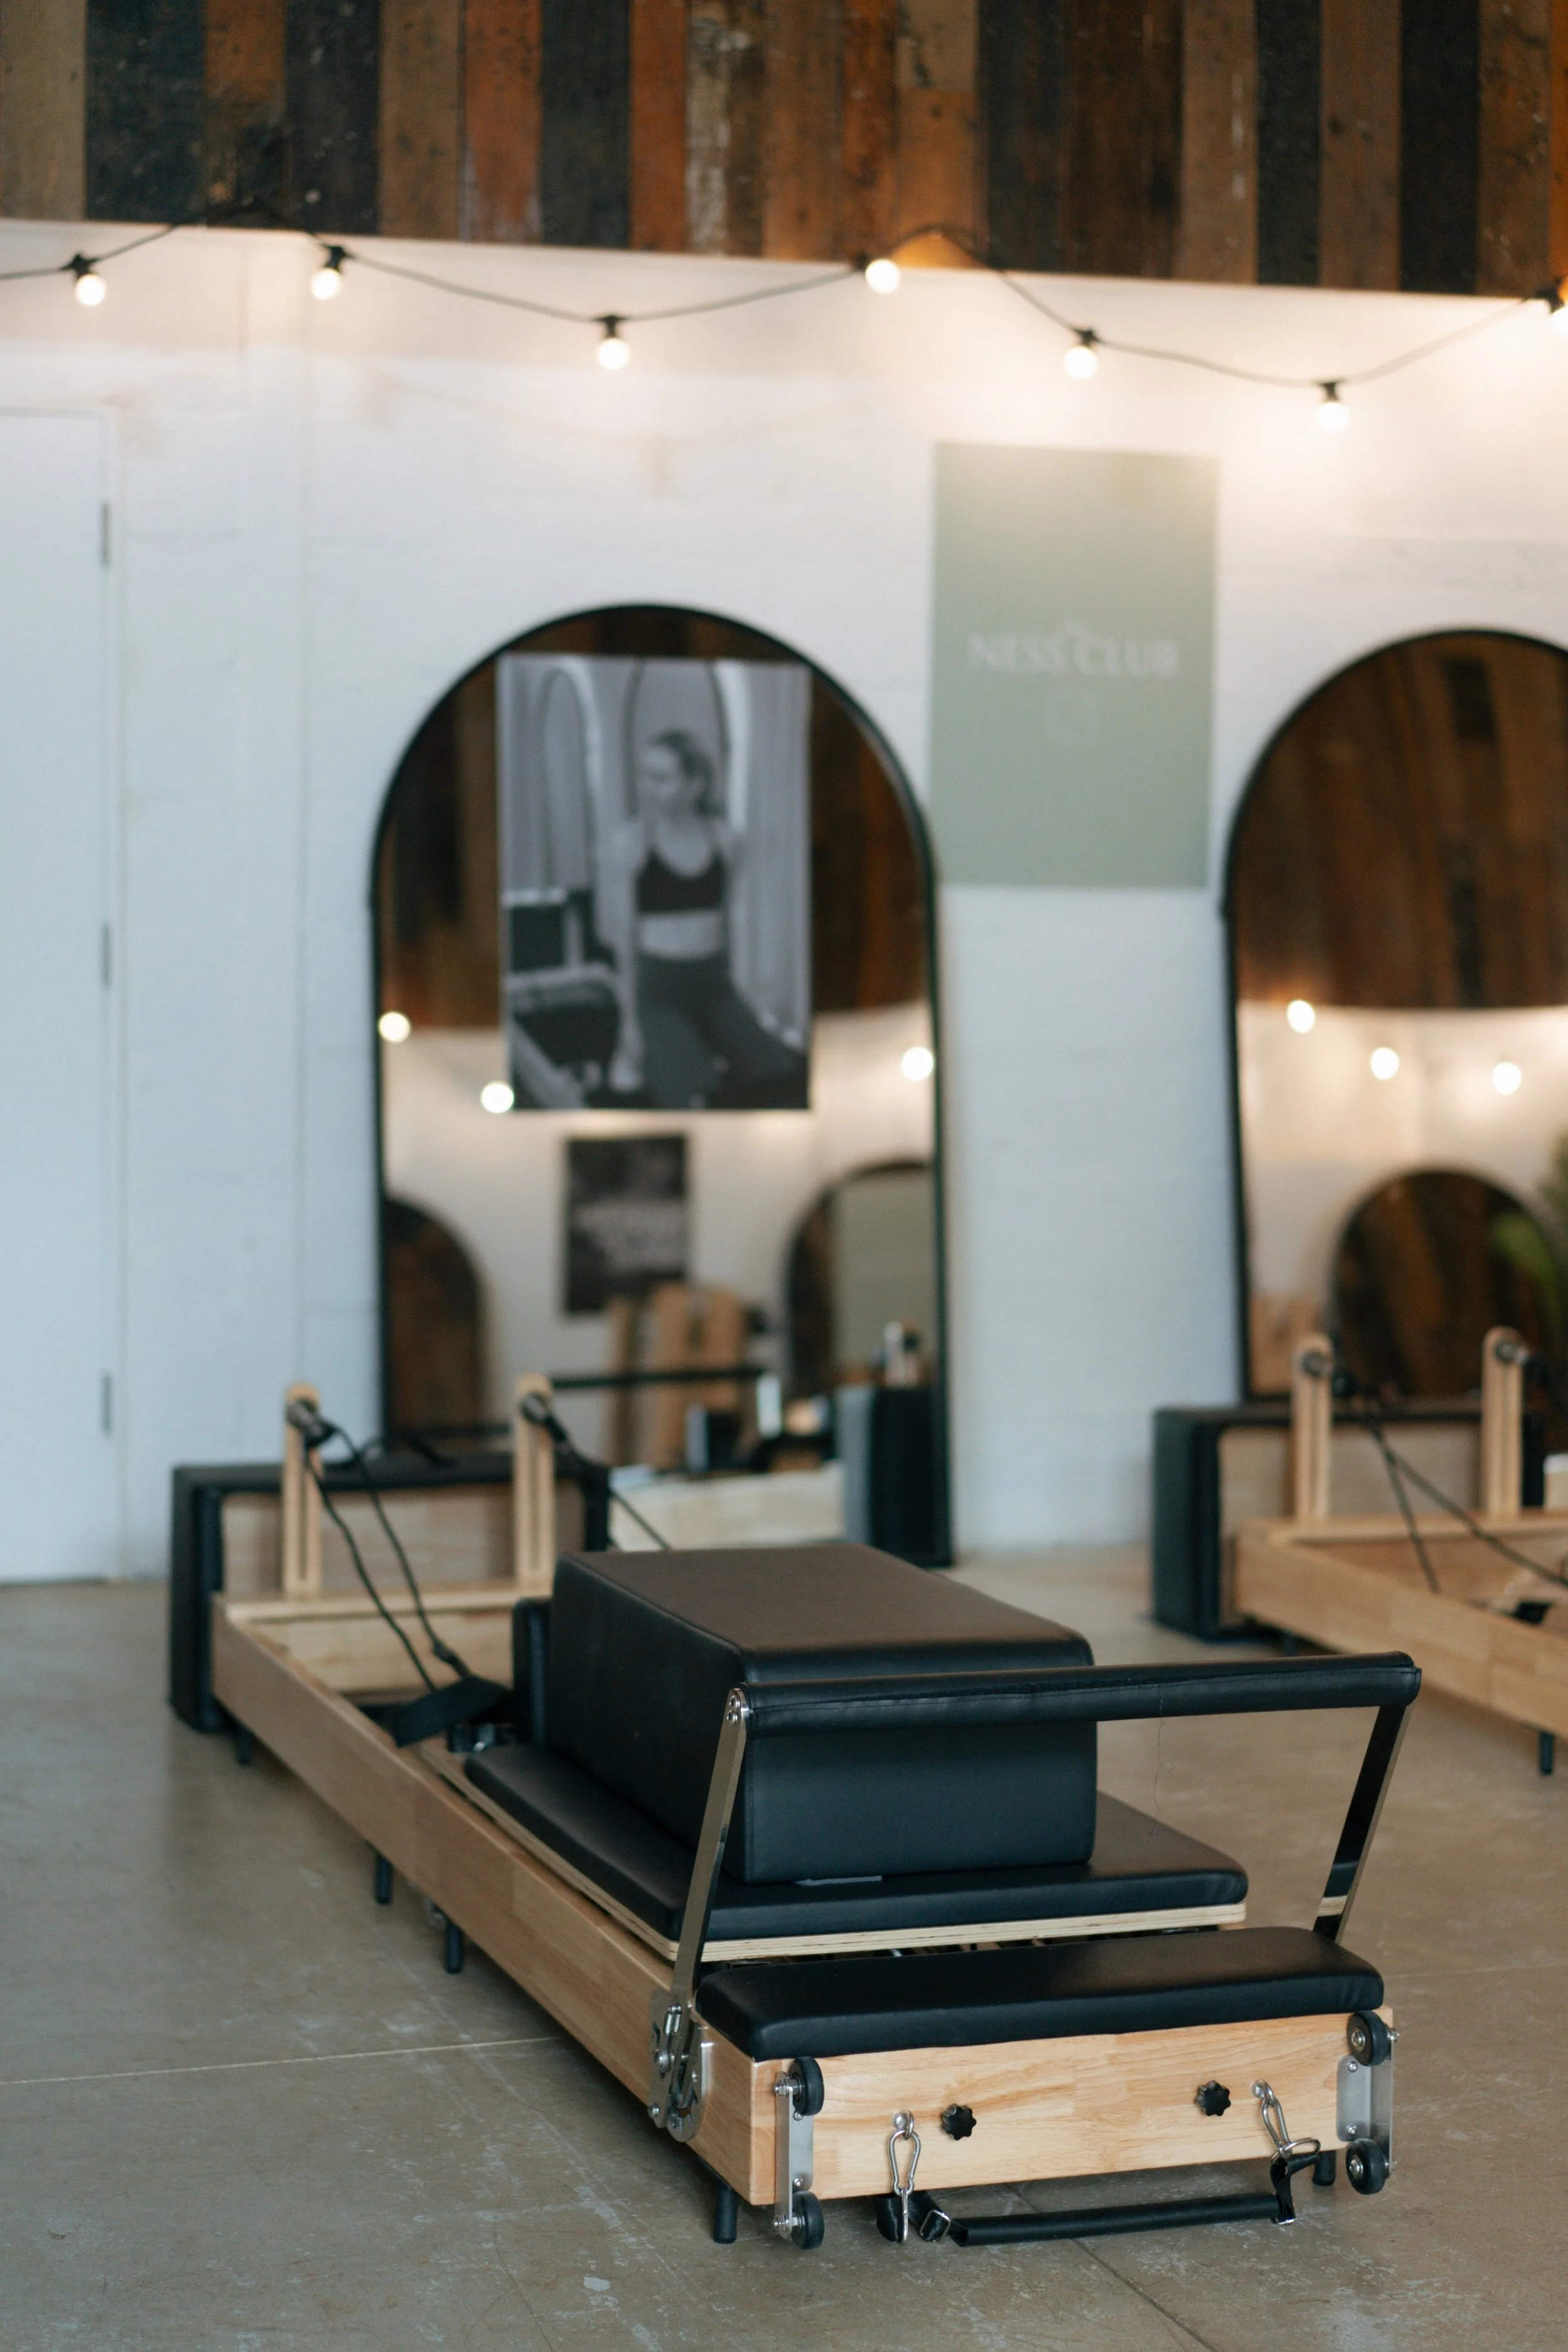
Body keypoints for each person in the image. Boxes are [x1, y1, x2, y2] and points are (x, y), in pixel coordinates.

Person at [601, 728, 806, 1109]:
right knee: (693, 1095)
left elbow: (736, 926)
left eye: (662, 778)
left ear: (696, 785)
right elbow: (625, 941)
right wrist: (629, 1025)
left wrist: (753, 993)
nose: (648, 788)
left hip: (714, 984)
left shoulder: (727, 841)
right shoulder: (631, 842)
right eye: (645, 775)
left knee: (777, 1075)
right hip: (659, 989)